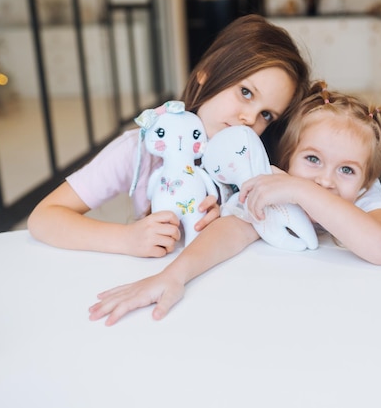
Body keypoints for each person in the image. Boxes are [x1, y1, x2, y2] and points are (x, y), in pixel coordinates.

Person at [89, 81, 381, 326]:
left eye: (346, 169)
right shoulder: (270, 182)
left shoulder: (364, 195)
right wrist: (174, 275)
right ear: (286, 159)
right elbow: (230, 230)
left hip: (361, 310)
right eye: (312, 159)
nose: (326, 180)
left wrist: (303, 191)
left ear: (365, 181)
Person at [27, 14, 310, 258]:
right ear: (206, 73)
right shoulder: (141, 149)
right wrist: (127, 239)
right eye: (245, 92)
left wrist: (231, 219)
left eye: (266, 115)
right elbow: (44, 218)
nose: (250, 119)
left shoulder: (257, 167)